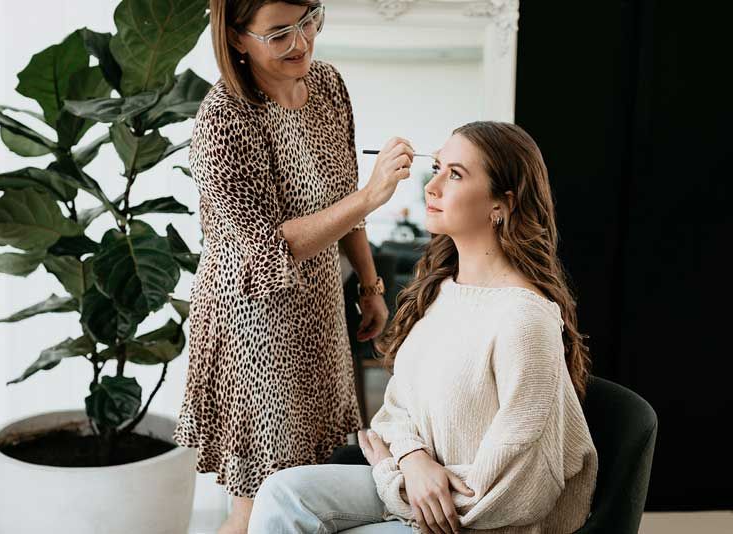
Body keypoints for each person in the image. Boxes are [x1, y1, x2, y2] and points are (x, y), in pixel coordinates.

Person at [248, 121, 598, 534]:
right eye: (436, 167)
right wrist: (412, 461)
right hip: (415, 482)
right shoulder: (443, 291)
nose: (431, 187)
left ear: (501, 204)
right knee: (281, 493)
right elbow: (397, 408)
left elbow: (525, 488)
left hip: (475, 521)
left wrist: (390, 476)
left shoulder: (524, 318)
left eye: (455, 174)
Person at [172, 2, 416, 532]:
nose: (302, 42)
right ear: (237, 39)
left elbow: (341, 192)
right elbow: (269, 246)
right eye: (278, 33)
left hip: (320, 307)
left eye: (308, 18)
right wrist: (375, 195)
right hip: (256, 322)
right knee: (263, 498)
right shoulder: (222, 121)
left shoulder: (327, 85)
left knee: (308, 479)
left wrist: (370, 284)